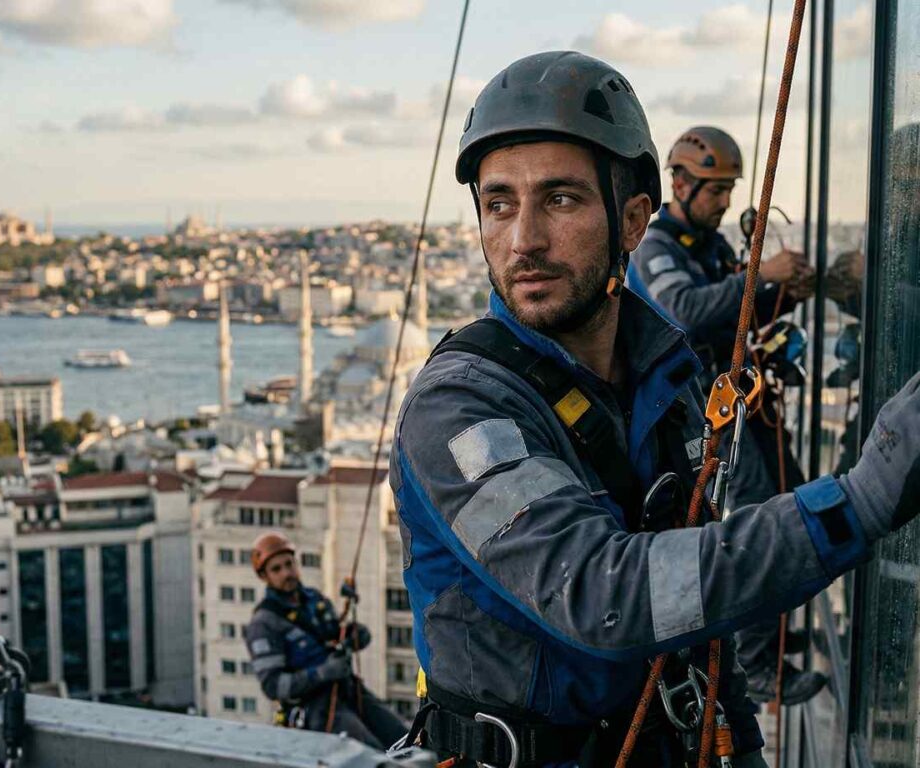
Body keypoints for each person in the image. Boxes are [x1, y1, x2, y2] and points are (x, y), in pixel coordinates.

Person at [390, 50, 920, 767]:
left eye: (560, 199)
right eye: (499, 204)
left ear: (633, 219)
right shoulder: (459, 407)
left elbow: (697, 615)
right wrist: (853, 505)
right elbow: (600, 593)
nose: (523, 241)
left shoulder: (663, 378)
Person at [628, 127, 823, 705]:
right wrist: (765, 276)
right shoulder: (657, 247)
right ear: (681, 184)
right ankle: (759, 662)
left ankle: (773, 633)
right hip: (695, 414)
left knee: (789, 496)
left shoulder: (707, 247)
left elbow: (735, 311)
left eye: (729, 190)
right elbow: (686, 312)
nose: (725, 202)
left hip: (730, 405)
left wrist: (786, 289)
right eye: (716, 190)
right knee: (760, 514)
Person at [241, 531, 405, 749]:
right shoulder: (264, 624)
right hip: (315, 708)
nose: (287, 573)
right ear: (264, 576)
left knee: (405, 738)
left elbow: (334, 635)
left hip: (348, 690)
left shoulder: (314, 601)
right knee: (370, 754)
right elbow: (273, 685)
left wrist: (354, 635)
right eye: (276, 569)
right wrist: (322, 673)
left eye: (289, 564)